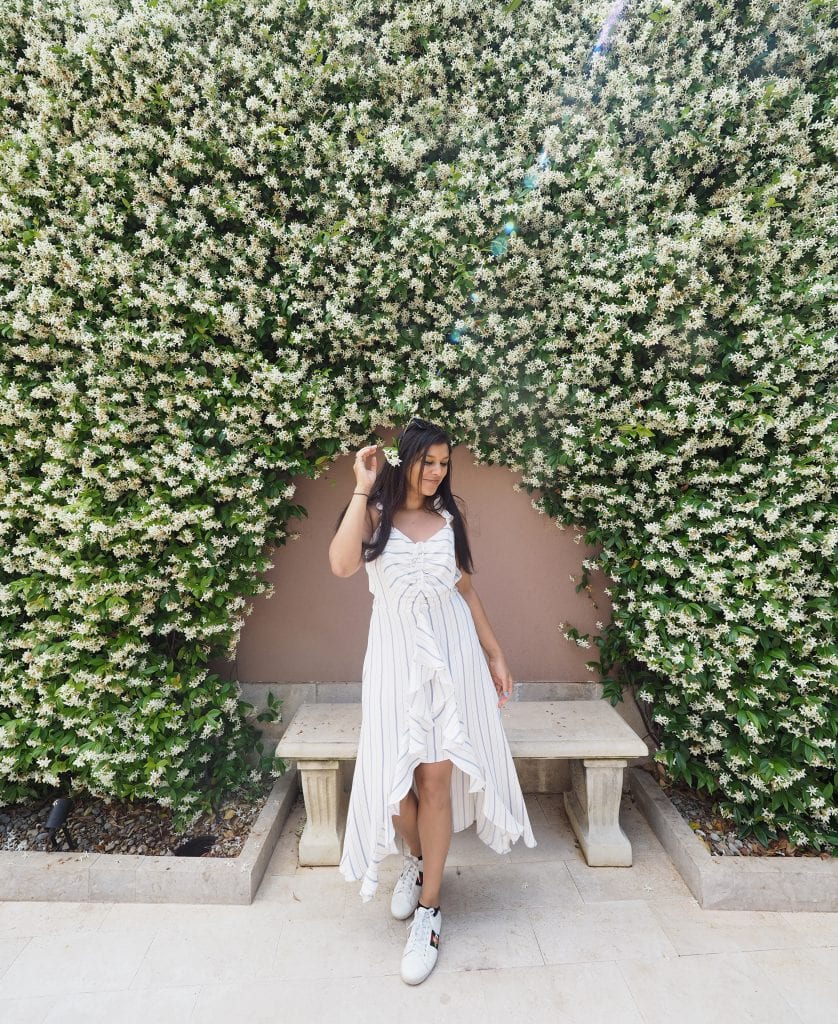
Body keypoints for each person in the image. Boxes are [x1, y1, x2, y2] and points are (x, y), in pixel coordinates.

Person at [329, 417, 536, 986]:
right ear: (406, 459)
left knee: (437, 782)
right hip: (395, 668)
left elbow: (464, 588)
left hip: (452, 665)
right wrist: (362, 485)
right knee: (398, 790)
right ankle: (414, 862)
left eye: (444, 462)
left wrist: (494, 654)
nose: (436, 471)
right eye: (427, 461)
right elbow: (342, 565)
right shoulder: (373, 515)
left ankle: (430, 911)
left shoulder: (448, 520)